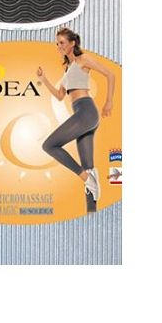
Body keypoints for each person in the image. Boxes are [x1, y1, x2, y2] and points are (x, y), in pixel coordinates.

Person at [36, 27, 115, 206]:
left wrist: (109, 101)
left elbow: (110, 75)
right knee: (89, 170)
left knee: (49, 145)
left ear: (72, 43)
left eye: (62, 42)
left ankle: (86, 178)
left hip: (86, 111)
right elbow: (59, 96)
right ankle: (91, 207)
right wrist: (44, 79)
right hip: (81, 114)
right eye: (57, 44)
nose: (59, 46)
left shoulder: (83, 59)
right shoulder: (67, 68)